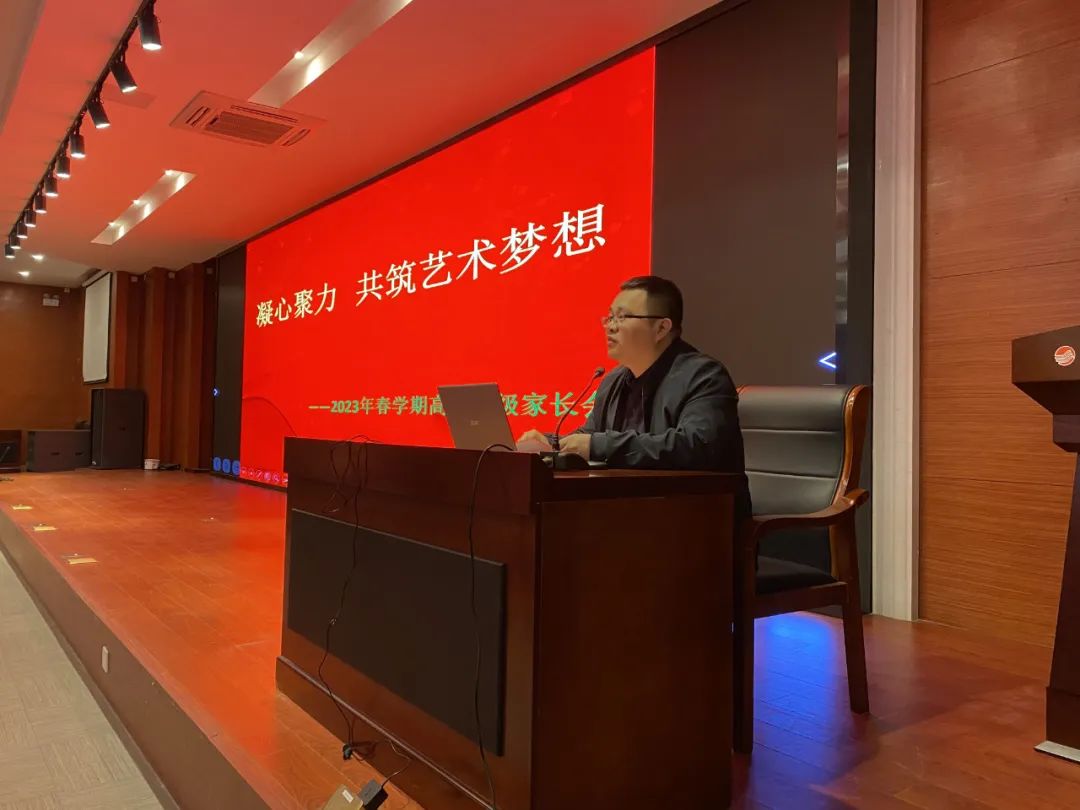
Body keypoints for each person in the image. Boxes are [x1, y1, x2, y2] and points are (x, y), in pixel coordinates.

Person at [518, 276, 749, 505]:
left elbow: (696, 446)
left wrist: (598, 446)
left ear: (661, 328)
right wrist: (552, 444)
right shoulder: (614, 380)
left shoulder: (704, 376)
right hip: (634, 510)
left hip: (698, 512)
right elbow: (591, 434)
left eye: (622, 317)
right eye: (609, 317)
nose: (610, 326)